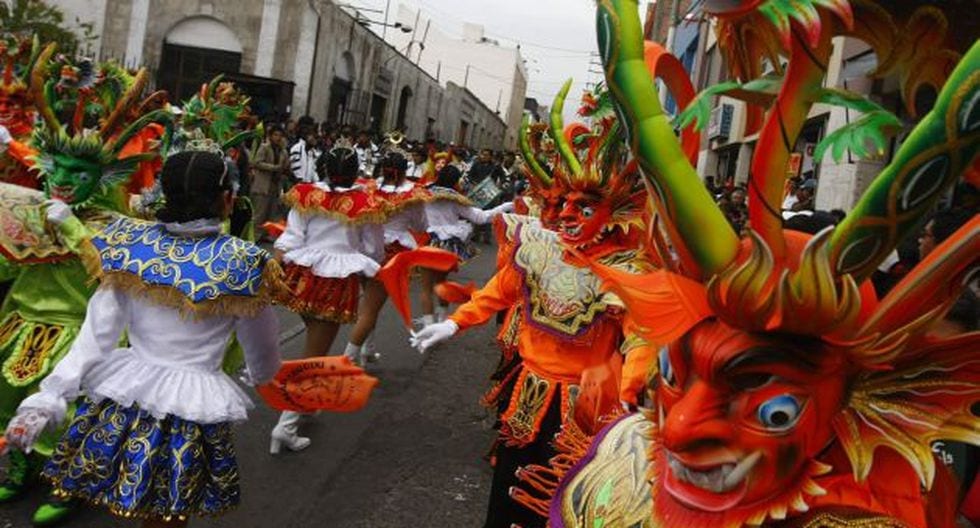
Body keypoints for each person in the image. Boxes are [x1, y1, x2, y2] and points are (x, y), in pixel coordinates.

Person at [537, 3, 980, 527]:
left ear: (870, 398)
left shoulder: (883, 507)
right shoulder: (629, 457)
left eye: (773, 410)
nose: (678, 426)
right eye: (674, 372)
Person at [4, 151, 283, 527]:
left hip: (126, 393)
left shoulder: (127, 243)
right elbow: (262, 349)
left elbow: (96, 333)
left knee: (134, 499)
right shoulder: (245, 262)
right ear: (227, 198)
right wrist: (263, 374)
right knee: (168, 512)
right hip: (191, 405)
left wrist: (51, 395)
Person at [413, 97, 654, 527]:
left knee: (567, 500)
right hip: (529, 391)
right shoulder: (539, 250)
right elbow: (498, 291)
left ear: (613, 213)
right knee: (511, 491)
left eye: (585, 208)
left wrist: (632, 390)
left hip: (589, 403)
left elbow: (641, 337)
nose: (568, 215)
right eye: (565, 204)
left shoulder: (625, 270)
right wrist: (453, 323)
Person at [271, 144, 385, 452]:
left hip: (303, 276)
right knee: (315, 355)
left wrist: (274, 269)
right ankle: (285, 426)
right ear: (354, 171)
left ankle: (303, 406)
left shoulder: (306, 194)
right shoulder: (366, 202)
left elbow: (291, 236)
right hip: (335, 282)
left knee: (313, 343)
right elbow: (373, 249)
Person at [344, 146, 428, 366]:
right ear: (404, 169)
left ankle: (366, 349)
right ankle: (346, 360)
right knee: (371, 309)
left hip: (365, 248)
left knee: (369, 305)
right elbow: (421, 225)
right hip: (393, 252)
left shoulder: (368, 188)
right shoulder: (414, 193)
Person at [418, 164, 512, 325]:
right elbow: (481, 218)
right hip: (447, 246)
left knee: (426, 288)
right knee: (442, 282)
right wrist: (507, 206)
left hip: (427, 242)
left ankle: (428, 326)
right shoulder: (456, 200)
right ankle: (441, 319)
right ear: (455, 181)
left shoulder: (423, 193)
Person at [251, 126, 290, 235]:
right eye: (275, 135)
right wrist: (274, 167)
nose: (278, 138)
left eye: (280, 136)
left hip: (275, 185)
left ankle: (267, 235)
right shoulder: (264, 148)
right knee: (260, 213)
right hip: (263, 185)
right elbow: (257, 162)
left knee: (272, 213)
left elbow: (286, 166)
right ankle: (254, 236)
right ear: (270, 136)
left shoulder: (282, 151)